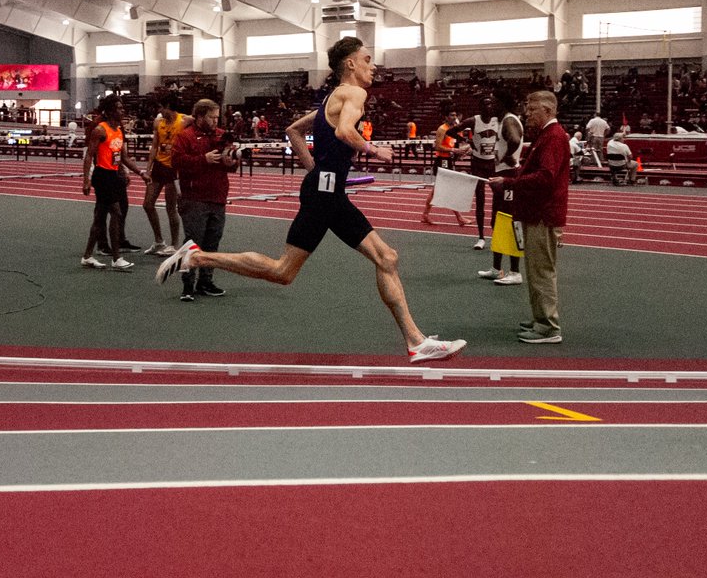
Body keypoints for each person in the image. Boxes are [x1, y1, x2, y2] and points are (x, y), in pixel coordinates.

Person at [157, 37, 466, 363]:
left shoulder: (332, 98)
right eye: (367, 59)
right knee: (283, 270)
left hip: (326, 189)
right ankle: (198, 257)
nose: (373, 66)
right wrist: (375, 150)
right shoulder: (354, 93)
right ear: (351, 64)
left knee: (385, 258)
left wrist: (316, 172)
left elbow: (293, 130)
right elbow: (345, 132)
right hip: (326, 193)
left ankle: (415, 341)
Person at [488, 91, 569, 343]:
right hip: (537, 213)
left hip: (543, 214)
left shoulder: (553, 137)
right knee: (535, 271)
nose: (527, 113)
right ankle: (540, 318)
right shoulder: (547, 136)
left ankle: (548, 326)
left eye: (532, 109)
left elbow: (546, 177)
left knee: (541, 271)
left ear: (548, 110)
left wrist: (510, 182)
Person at [170, 98, 239, 301]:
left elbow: (231, 164)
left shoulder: (221, 136)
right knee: (192, 243)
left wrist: (232, 160)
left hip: (217, 196)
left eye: (218, 117)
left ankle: (206, 281)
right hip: (194, 198)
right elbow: (176, 161)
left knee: (212, 242)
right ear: (200, 116)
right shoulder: (185, 136)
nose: (216, 121)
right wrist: (203, 159)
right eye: (212, 117)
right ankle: (188, 285)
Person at [81, 94, 149, 270]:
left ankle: (87, 256)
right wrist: (86, 180)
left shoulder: (119, 130)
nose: (123, 110)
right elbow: (89, 155)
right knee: (117, 213)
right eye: (119, 108)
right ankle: (116, 258)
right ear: (111, 111)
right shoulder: (100, 130)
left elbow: (123, 157)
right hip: (102, 176)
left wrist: (140, 172)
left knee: (99, 218)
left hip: (114, 175)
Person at [478, 89, 524, 285]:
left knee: (510, 221)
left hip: (509, 175)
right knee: (497, 222)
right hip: (502, 174)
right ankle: (497, 268)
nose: (491, 106)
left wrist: (506, 158)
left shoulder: (509, 121)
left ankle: (515, 271)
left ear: (503, 103)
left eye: (494, 102)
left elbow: (513, 140)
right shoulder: (505, 119)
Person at [446, 97, 499, 249]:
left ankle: (495, 233)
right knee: (480, 199)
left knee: (497, 198)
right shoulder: (473, 121)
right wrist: (467, 142)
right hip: (478, 163)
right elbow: (451, 131)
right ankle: (481, 237)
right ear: (480, 107)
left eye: (490, 104)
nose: (488, 107)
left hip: (493, 163)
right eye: (485, 104)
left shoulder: (498, 120)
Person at [142, 94, 185, 256]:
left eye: (161, 107)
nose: (159, 111)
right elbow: (154, 146)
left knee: (170, 208)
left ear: (168, 105)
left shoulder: (184, 121)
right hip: (159, 166)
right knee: (147, 204)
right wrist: (148, 169)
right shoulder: (158, 122)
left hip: (174, 169)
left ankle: (174, 245)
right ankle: (159, 241)